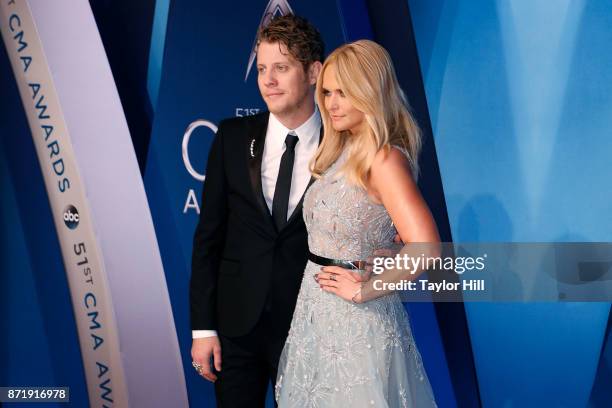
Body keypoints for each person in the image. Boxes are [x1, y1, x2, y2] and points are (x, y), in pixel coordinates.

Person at [275, 40, 439, 407]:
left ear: (370, 93)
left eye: (343, 93)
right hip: (315, 314)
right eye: (327, 92)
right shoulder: (338, 151)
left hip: (358, 320)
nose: (330, 103)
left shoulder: (384, 159)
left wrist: (366, 289)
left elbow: (426, 246)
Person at [189, 14, 340, 407]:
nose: (268, 80)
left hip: (313, 325)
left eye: (281, 68)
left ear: (313, 72)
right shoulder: (232, 137)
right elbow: (208, 237)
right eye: (261, 69)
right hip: (237, 327)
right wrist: (202, 329)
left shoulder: (343, 145)